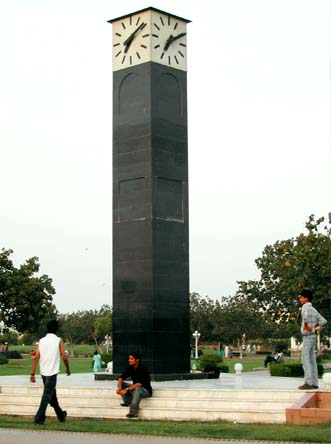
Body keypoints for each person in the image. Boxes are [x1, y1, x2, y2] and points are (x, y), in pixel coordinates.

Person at [30, 319, 70, 424]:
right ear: (57, 329)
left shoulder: (41, 341)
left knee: (52, 396)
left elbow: (36, 357)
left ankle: (61, 415)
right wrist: (68, 368)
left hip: (43, 372)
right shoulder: (58, 340)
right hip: (52, 373)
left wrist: (32, 373)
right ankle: (39, 419)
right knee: (47, 395)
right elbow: (64, 357)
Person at [298, 289, 327, 390]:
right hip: (313, 336)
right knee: (312, 359)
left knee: (305, 359)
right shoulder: (313, 309)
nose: (300, 299)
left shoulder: (305, 309)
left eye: (301, 297)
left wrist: (309, 329)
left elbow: (305, 322)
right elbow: (323, 321)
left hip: (307, 336)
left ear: (306, 298)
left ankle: (308, 382)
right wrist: (316, 328)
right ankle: (314, 382)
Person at [116, 352, 152, 418]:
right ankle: (128, 402)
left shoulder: (142, 369)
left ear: (137, 360)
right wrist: (119, 387)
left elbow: (139, 384)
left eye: (131, 359)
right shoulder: (131, 367)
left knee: (137, 389)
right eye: (129, 359)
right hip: (136, 388)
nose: (129, 360)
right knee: (122, 383)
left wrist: (126, 390)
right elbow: (121, 377)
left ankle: (133, 412)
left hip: (145, 390)